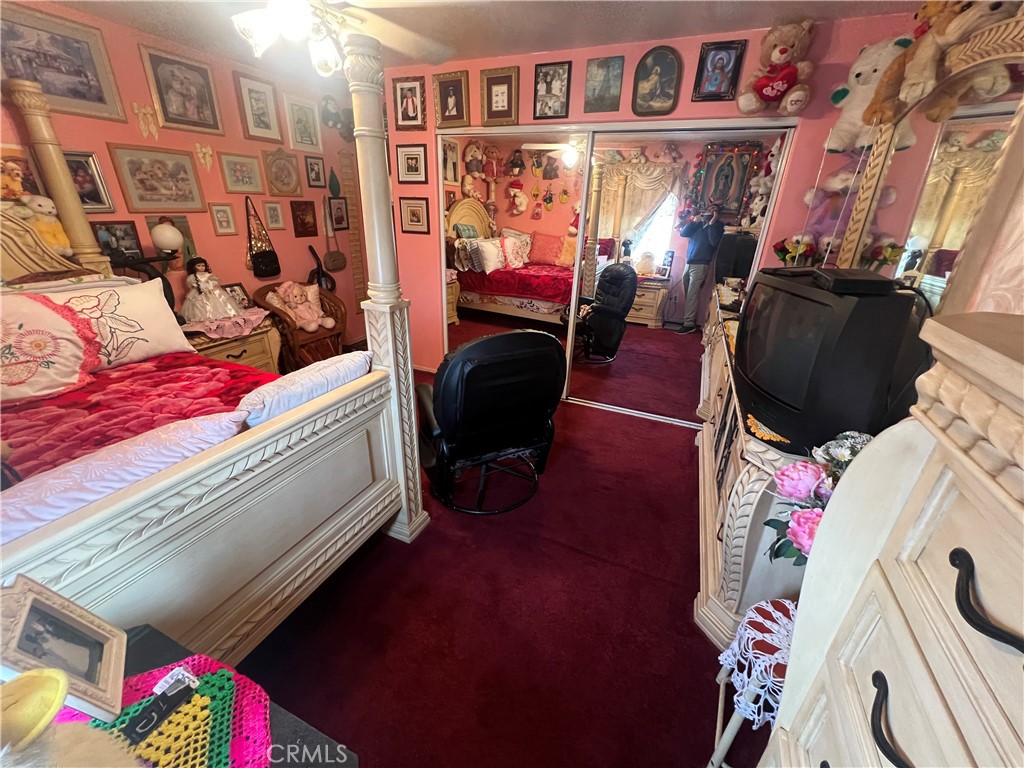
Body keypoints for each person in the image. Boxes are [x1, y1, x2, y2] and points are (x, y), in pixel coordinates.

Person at [676, 203, 724, 334]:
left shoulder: (717, 226)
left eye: (713, 210)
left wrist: (713, 222)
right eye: (708, 209)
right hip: (689, 262)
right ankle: (688, 319)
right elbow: (683, 233)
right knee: (688, 292)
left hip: (701, 264)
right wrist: (694, 221)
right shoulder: (697, 225)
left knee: (692, 293)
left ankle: (689, 323)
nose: (709, 212)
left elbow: (714, 242)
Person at [181, 257, 243, 323]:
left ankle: (219, 314)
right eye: (198, 266)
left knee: (218, 302)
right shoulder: (192, 277)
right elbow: (192, 285)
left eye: (203, 266)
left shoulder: (208, 275)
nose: (201, 267)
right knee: (198, 304)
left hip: (211, 291)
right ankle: (202, 317)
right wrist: (201, 288)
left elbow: (213, 283)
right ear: (193, 267)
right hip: (199, 293)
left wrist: (209, 287)